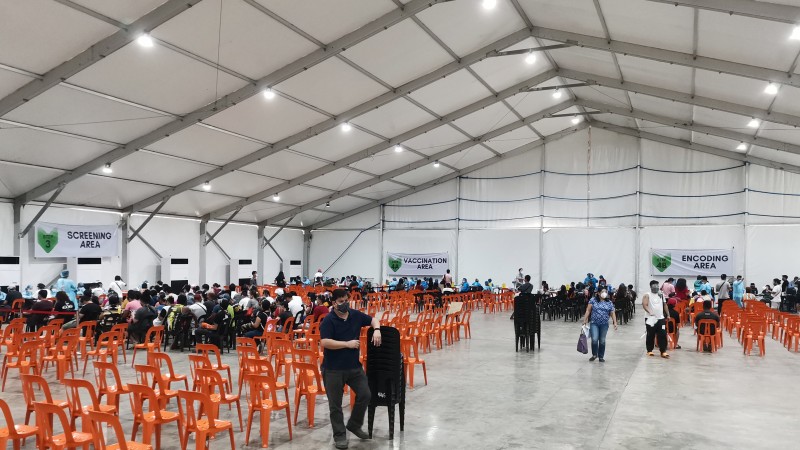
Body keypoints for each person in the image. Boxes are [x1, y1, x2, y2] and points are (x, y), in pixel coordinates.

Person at [320, 289, 381, 449]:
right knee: (335, 405)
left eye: (346, 300)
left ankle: (354, 424)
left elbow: (374, 320)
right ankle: (340, 436)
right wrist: (347, 344)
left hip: (354, 367)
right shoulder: (329, 320)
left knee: (365, 394)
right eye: (341, 301)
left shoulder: (355, 315)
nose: (345, 304)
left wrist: (377, 330)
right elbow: (325, 342)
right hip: (333, 369)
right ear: (334, 303)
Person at [582, 288, 617, 362]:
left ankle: (601, 356)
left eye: (605, 292)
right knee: (594, 339)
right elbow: (588, 310)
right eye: (602, 292)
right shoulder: (593, 300)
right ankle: (594, 354)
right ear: (598, 293)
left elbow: (612, 312)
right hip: (594, 323)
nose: (604, 293)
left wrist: (615, 322)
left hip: (604, 324)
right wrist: (585, 319)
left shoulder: (609, 302)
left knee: (602, 341)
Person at [642, 280, 669, 358]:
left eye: (657, 286)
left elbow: (665, 304)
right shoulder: (647, 295)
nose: (656, 287)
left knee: (663, 334)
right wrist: (650, 312)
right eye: (654, 286)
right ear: (651, 287)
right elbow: (644, 304)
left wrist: (668, 314)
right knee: (651, 334)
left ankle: (663, 351)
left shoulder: (661, 294)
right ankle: (649, 350)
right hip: (650, 318)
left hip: (660, 318)